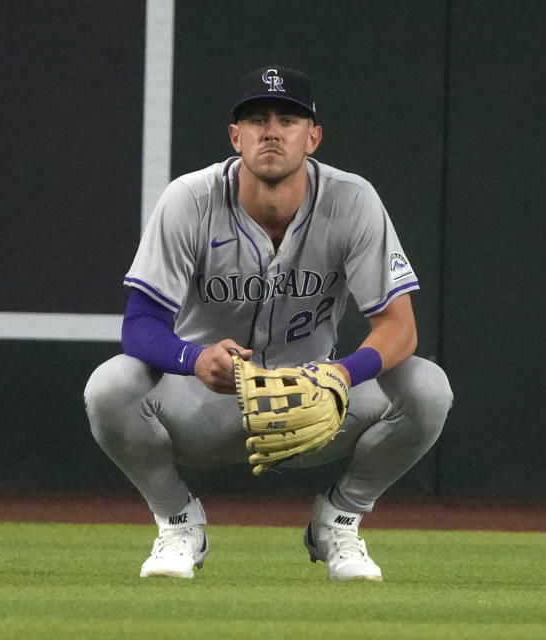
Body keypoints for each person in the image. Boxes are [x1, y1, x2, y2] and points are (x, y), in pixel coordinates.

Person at [84, 65, 453, 581]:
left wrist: (343, 375)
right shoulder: (189, 199)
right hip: (205, 402)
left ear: (313, 136)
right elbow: (139, 325)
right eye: (257, 119)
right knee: (110, 385)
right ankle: (177, 523)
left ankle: (339, 521)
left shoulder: (352, 200)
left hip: (315, 403)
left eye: (289, 118)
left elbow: (400, 328)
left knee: (428, 388)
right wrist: (192, 359)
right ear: (237, 137)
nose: (272, 131)